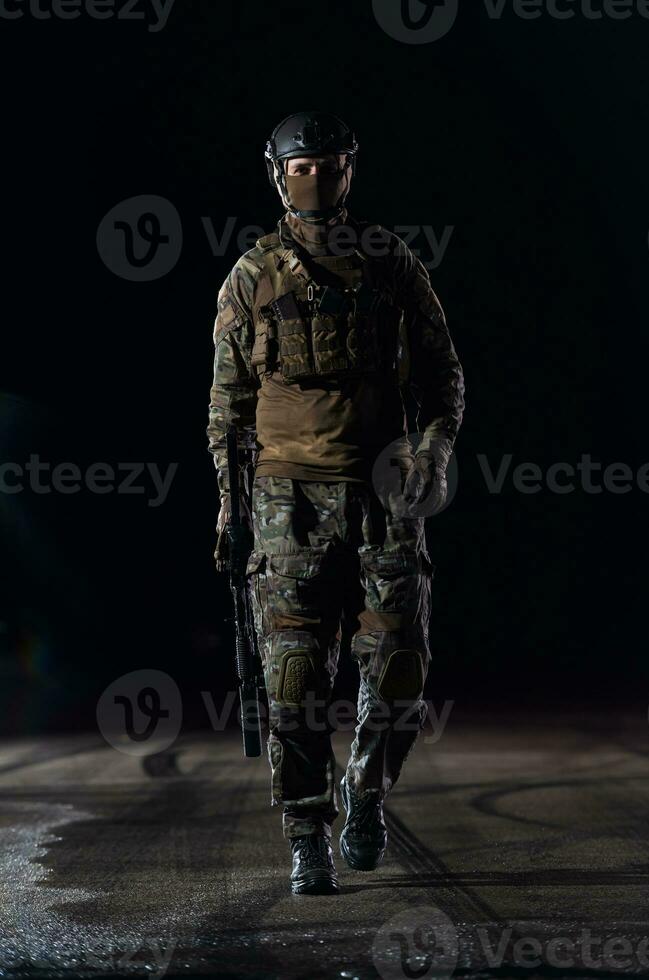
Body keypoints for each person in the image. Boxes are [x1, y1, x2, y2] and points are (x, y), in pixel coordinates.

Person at [207, 111, 464, 895]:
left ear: (350, 170)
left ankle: (366, 793)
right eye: (300, 166)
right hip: (287, 498)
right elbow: (228, 402)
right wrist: (229, 506)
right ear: (277, 173)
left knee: (397, 667)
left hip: (384, 492)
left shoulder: (392, 264)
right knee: (291, 674)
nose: (314, 178)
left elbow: (442, 374)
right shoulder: (253, 276)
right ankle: (305, 830)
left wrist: (432, 447)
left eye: (327, 164)